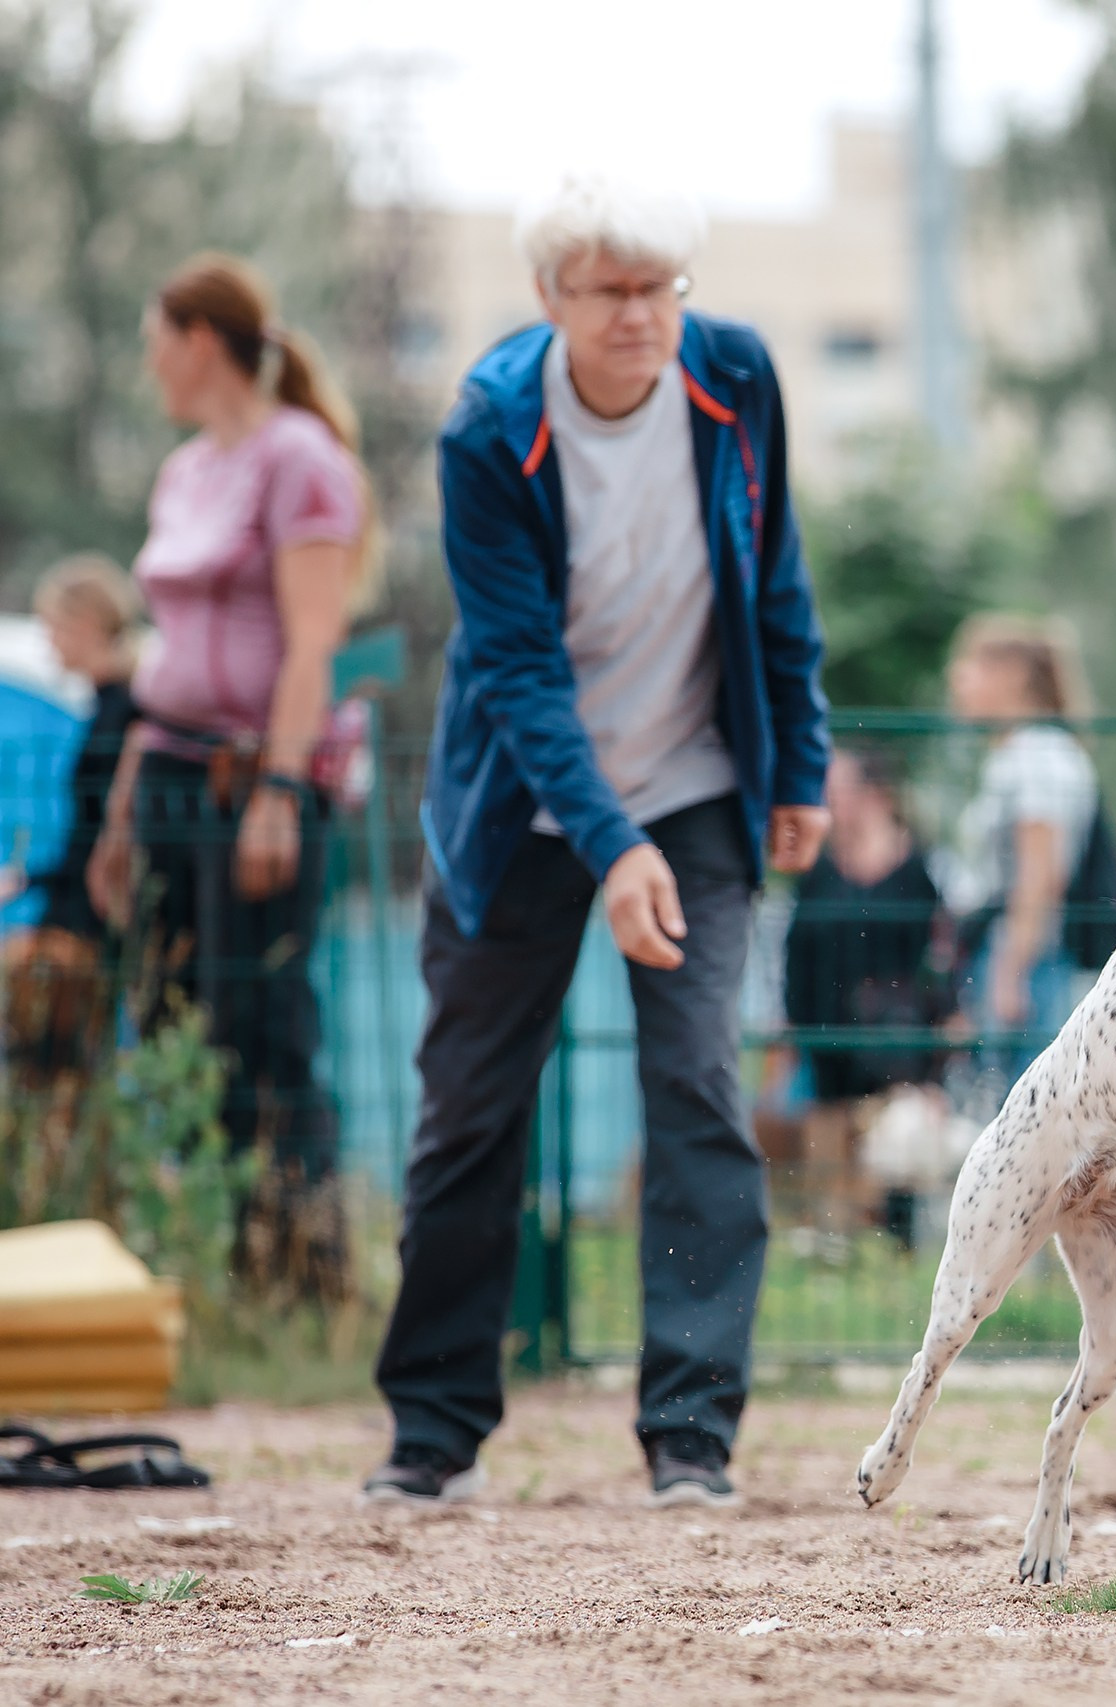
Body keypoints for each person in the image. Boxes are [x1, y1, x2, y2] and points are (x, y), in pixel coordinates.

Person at [365, 178, 830, 1510]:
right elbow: (513, 668)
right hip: (521, 802)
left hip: (693, 780)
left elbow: (778, 574)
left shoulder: (734, 376)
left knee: (696, 1085)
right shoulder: (487, 427)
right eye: (613, 291)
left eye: (662, 289)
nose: (644, 317)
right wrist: (610, 843)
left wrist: (796, 757)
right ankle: (433, 1433)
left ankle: (692, 1434)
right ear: (551, 298)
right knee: (468, 1107)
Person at [87, 254, 375, 1295]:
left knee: (265, 1028)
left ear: (201, 339)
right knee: (176, 1022)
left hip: (251, 780)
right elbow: (164, 655)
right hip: (166, 772)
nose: (151, 362)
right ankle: (208, 1266)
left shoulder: (299, 459)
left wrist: (281, 791)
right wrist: (121, 815)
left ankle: (300, 1275)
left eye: (156, 339)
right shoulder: (185, 469)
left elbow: (311, 644)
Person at [777, 745, 951, 1244]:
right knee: (828, 1125)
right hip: (826, 1029)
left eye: (838, 790)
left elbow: (937, 958)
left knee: (894, 1131)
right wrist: (792, 1026)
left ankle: (892, 1234)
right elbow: (796, 954)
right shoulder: (818, 872)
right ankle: (833, 1236)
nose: (827, 802)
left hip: (897, 1037)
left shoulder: (916, 872)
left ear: (873, 793)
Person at [937, 615, 1099, 1046]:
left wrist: (1010, 973)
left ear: (1012, 676)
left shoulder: (1035, 754)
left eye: (970, 665)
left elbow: (1039, 873)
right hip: (1017, 955)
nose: (957, 679)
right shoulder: (1024, 751)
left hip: (1027, 959)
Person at [31, 555, 143, 945]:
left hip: (97, 905)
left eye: (52, 626)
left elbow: (102, 828)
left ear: (85, 625)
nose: (48, 641)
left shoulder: (127, 712)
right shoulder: (103, 708)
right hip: (82, 899)